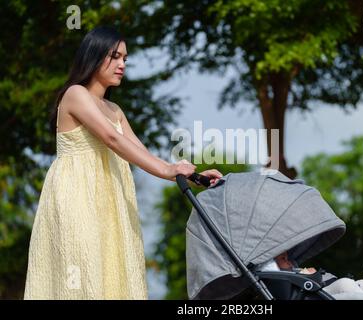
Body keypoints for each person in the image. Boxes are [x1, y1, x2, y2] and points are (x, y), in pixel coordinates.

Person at [24, 26, 222, 300]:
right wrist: (168, 169)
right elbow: (111, 139)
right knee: (82, 275)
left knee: (113, 274)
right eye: (115, 56)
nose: (122, 65)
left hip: (110, 201)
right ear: (94, 55)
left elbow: (140, 152)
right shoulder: (75, 94)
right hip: (77, 198)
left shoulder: (115, 110)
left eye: (125, 59)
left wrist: (191, 175)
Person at [257, 252, 363, 300]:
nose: (289, 262)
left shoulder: (292, 270)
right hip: (310, 296)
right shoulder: (277, 277)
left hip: (321, 291)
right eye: (283, 259)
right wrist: (306, 276)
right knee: (346, 284)